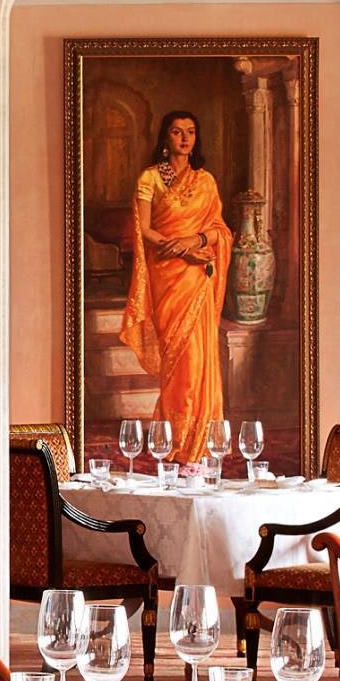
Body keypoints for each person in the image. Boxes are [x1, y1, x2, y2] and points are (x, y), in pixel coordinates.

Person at [119, 110, 231, 464]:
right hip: (166, 274)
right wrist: (177, 246)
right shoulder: (151, 178)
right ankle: (174, 441)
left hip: (197, 278)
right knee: (176, 361)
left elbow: (220, 231)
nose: (185, 138)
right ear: (165, 138)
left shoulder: (206, 181)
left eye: (191, 132)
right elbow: (144, 229)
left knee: (198, 357)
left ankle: (197, 444)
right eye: (177, 132)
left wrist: (194, 239)